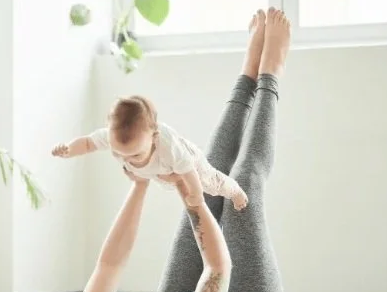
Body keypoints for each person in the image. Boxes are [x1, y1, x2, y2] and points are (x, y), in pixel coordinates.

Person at [24, 8, 291, 292]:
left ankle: (246, 71)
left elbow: (109, 265)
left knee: (202, 166)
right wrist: (196, 200)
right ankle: (270, 74)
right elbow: (219, 268)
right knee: (245, 183)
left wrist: (141, 183)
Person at [51, 88, 249, 211]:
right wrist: (69, 150)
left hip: (189, 162)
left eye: (134, 154)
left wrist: (196, 195)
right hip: (158, 171)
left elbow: (188, 172)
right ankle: (169, 177)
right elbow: (87, 143)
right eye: (118, 152)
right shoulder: (113, 137)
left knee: (211, 184)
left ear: (153, 138)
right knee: (167, 182)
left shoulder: (168, 145)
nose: (126, 158)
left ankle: (235, 191)